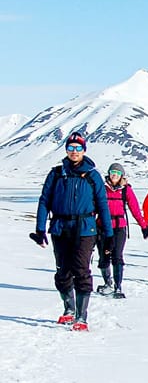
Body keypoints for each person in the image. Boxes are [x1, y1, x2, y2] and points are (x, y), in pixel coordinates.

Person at [32, 131, 113, 331]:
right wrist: (40, 229)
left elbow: (103, 205)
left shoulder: (93, 176)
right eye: (70, 148)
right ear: (66, 150)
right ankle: (69, 309)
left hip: (85, 229)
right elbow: (44, 201)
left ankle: (81, 316)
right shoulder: (57, 173)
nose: (74, 152)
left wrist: (109, 234)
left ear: (84, 150)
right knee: (62, 272)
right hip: (60, 228)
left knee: (81, 270)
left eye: (78, 148)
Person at [96, 163, 148, 298]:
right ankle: (107, 282)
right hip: (102, 227)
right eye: (112, 172)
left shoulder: (126, 190)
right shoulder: (101, 188)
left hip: (119, 227)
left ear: (121, 176)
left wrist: (143, 226)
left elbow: (135, 209)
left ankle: (118, 287)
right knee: (103, 257)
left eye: (118, 173)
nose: (114, 175)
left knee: (117, 256)